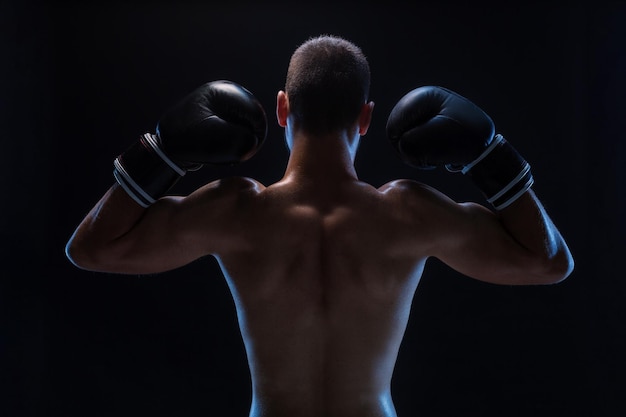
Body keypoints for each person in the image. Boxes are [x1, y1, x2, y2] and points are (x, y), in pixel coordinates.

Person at [65, 35, 574, 417]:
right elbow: (549, 262)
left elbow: (90, 249)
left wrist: (160, 152)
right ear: (367, 117)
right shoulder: (407, 214)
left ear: (283, 108)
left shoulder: (237, 211)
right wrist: (492, 158)